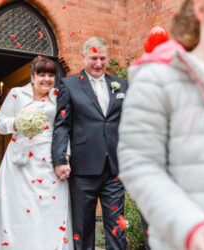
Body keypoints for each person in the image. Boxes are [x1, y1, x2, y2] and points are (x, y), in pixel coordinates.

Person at [117, 0, 204, 249]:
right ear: (203, 9)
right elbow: (140, 164)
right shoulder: (157, 79)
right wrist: (187, 224)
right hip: (199, 233)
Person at [0, 56, 73, 249]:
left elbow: (64, 130)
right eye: (41, 74)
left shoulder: (59, 96)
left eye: (51, 75)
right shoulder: (16, 94)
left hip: (49, 159)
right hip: (20, 161)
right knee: (18, 209)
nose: (46, 79)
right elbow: (0, 124)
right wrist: (17, 123)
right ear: (32, 76)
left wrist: (65, 158)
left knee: (48, 209)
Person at [52, 37, 128, 249]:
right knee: (83, 227)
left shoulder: (120, 85)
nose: (98, 63)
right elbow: (62, 124)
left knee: (116, 225)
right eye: (94, 58)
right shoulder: (69, 84)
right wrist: (59, 159)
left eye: (103, 58)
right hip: (83, 167)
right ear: (83, 57)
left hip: (114, 168)